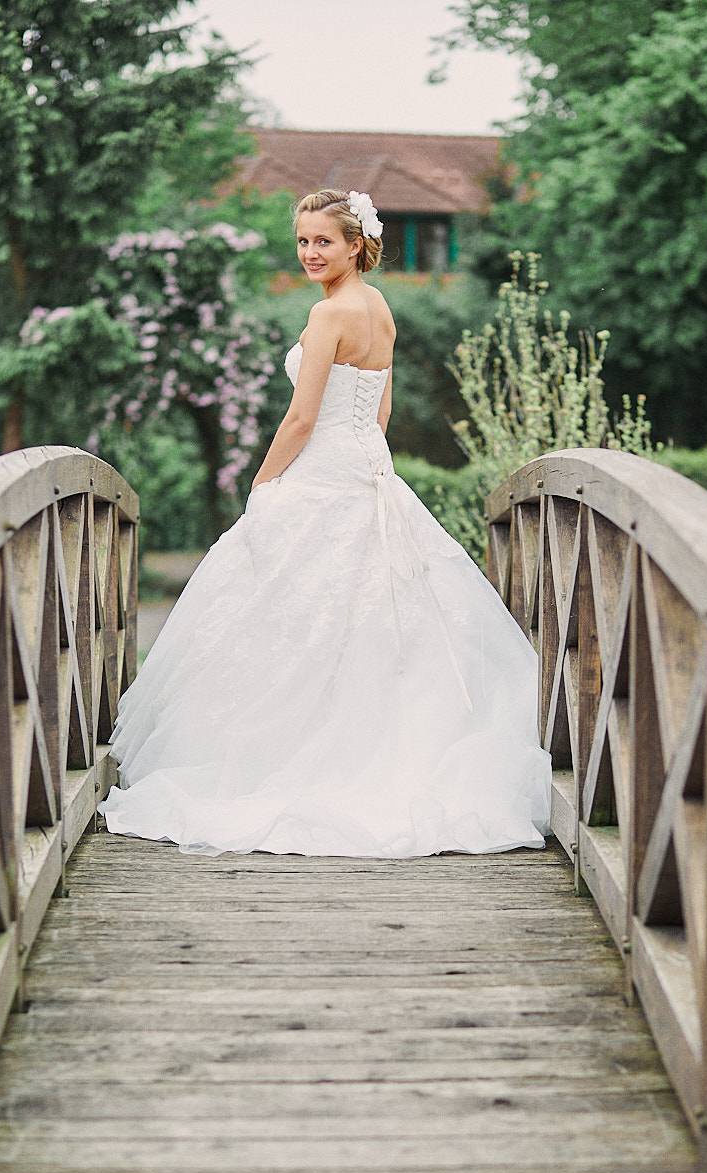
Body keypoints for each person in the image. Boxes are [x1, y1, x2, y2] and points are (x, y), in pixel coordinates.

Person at [99, 188, 551, 857]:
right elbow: (379, 411)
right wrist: (364, 462)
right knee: (371, 620)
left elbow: (302, 418)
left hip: (319, 474)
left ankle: (288, 762)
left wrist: (263, 485)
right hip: (369, 473)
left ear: (355, 244)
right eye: (303, 241)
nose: (310, 253)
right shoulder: (378, 307)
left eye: (323, 241)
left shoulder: (330, 313)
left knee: (292, 615)